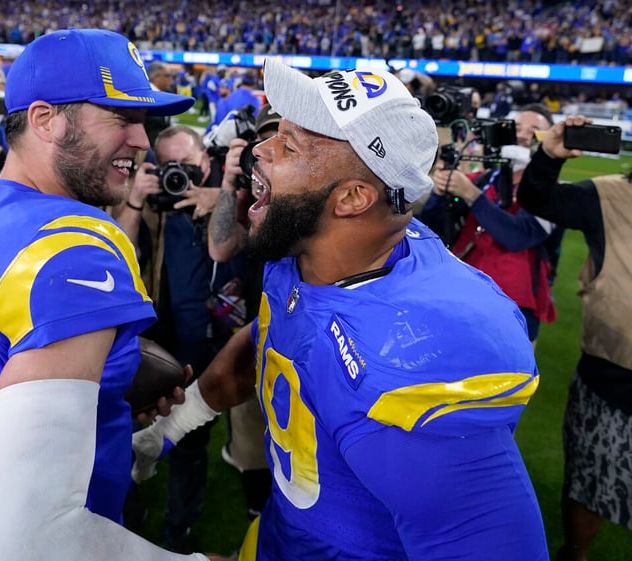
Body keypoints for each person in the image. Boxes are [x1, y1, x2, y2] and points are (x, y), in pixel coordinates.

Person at [133, 58, 550, 560]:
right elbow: (271, 337)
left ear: (353, 197)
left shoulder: (418, 363)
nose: (259, 151)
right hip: (279, 536)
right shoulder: (312, 247)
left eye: (289, 144)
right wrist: (171, 428)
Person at [0, 28, 228, 561]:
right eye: (121, 119)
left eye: (143, 122)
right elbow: (35, 540)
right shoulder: (71, 246)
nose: (142, 142)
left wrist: (102, 390)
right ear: (45, 118)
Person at [120, 123, 250, 552]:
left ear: (207, 162)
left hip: (230, 339)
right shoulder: (153, 205)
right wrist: (137, 200)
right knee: (162, 438)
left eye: (189, 166)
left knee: (213, 441)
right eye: (170, 166)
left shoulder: (232, 194)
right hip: (173, 342)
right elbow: (119, 252)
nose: (182, 177)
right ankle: (150, 523)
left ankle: (184, 527)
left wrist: (222, 197)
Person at [517, 115, 632, 561]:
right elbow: (536, 197)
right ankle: (576, 553)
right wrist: (549, 156)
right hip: (612, 379)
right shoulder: (609, 194)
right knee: (590, 482)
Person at [419, 103, 558, 342]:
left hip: (513, 306)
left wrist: (472, 195)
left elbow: (518, 236)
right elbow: (430, 228)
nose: (522, 135)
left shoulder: (554, 192)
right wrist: (440, 193)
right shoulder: (483, 179)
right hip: (459, 293)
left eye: (533, 130)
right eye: (518, 127)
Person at [207, 102, 280, 522]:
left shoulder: (306, 196)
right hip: (257, 336)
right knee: (253, 443)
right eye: (263, 143)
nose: (268, 154)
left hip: (304, 340)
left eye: (280, 142)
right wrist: (231, 182)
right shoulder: (248, 198)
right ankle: (258, 513)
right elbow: (220, 246)